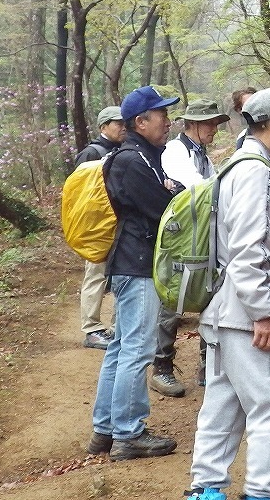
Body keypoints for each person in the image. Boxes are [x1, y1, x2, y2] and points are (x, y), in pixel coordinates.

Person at [184, 89, 270, 500]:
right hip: (244, 314)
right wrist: (263, 312)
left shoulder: (236, 165)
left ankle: (207, 489)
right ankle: (260, 492)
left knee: (223, 403)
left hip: (222, 309)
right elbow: (247, 249)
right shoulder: (256, 170)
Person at [85, 86, 182, 461]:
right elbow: (164, 210)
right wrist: (175, 194)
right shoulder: (131, 160)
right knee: (136, 350)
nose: (168, 122)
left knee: (121, 347)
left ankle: (105, 431)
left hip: (130, 262)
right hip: (138, 264)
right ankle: (128, 434)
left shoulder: (140, 157)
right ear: (141, 122)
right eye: (162, 116)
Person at [153, 98, 230, 398]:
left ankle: (206, 365)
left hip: (201, 232)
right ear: (194, 125)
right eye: (210, 123)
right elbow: (198, 186)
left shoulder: (202, 155)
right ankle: (162, 367)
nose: (214, 129)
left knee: (208, 290)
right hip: (179, 235)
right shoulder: (175, 150)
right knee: (175, 294)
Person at [74, 106, 124, 350]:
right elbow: (82, 196)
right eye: (117, 123)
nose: (123, 127)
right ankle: (92, 329)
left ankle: (116, 326)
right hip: (98, 226)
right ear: (103, 127)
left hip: (118, 223)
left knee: (118, 275)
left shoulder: (121, 150)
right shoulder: (92, 153)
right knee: (95, 274)